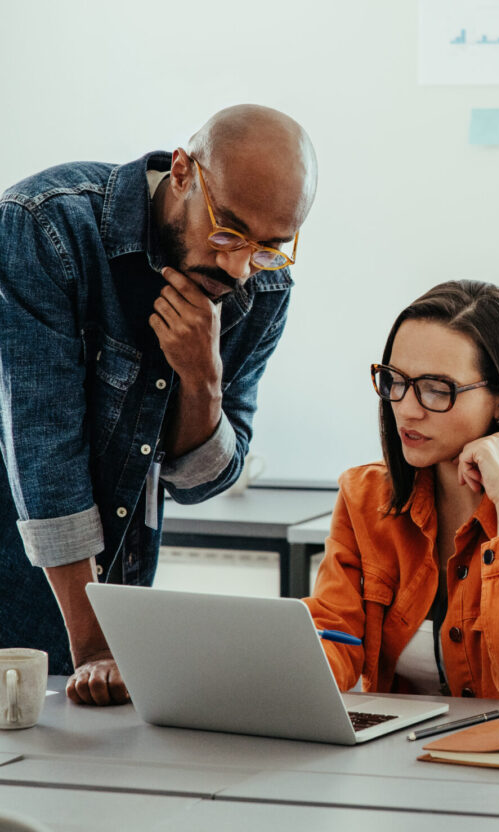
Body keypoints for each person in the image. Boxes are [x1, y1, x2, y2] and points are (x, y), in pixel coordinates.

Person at [0, 104, 317, 705]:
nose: (238, 267)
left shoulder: (262, 291)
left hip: (118, 608)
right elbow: (44, 456)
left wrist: (202, 379)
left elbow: (201, 481)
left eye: (269, 247)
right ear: (181, 171)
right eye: (227, 233)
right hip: (24, 586)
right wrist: (94, 644)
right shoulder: (46, 228)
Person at [305, 280, 499, 704]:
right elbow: (335, 641)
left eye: (437, 389)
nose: (407, 408)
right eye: (395, 381)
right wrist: (272, 673)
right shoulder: (364, 496)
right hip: (404, 758)